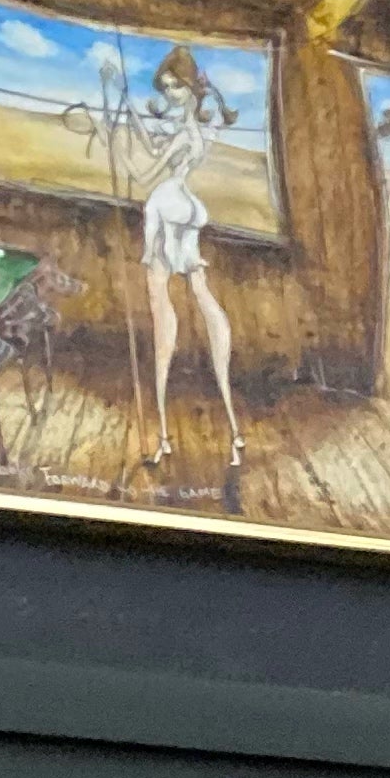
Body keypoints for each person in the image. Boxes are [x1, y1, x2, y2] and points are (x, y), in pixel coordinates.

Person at [136, 43, 241, 467]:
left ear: (191, 88)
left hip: (165, 206)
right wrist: (136, 122)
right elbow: (162, 147)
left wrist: (123, 143)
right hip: (189, 207)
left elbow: (145, 171)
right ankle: (234, 429)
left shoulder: (184, 131)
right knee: (202, 296)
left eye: (174, 87)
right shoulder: (201, 127)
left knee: (163, 313)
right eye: (165, 88)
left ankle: (164, 435)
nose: (169, 94)